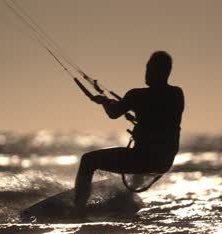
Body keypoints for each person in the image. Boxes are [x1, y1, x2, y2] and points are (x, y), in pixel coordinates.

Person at [74, 51, 185, 209]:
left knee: (88, 161)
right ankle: (126, 199)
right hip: (164, 162)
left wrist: (104, 101)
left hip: (143, 159)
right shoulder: (177, 94)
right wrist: (139, 118)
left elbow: (114, 113)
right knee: (143, 155)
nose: (145, 73)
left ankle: (78, 209)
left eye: (148, 69)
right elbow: (158, 114)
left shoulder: (136, 95)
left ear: (158, 72)